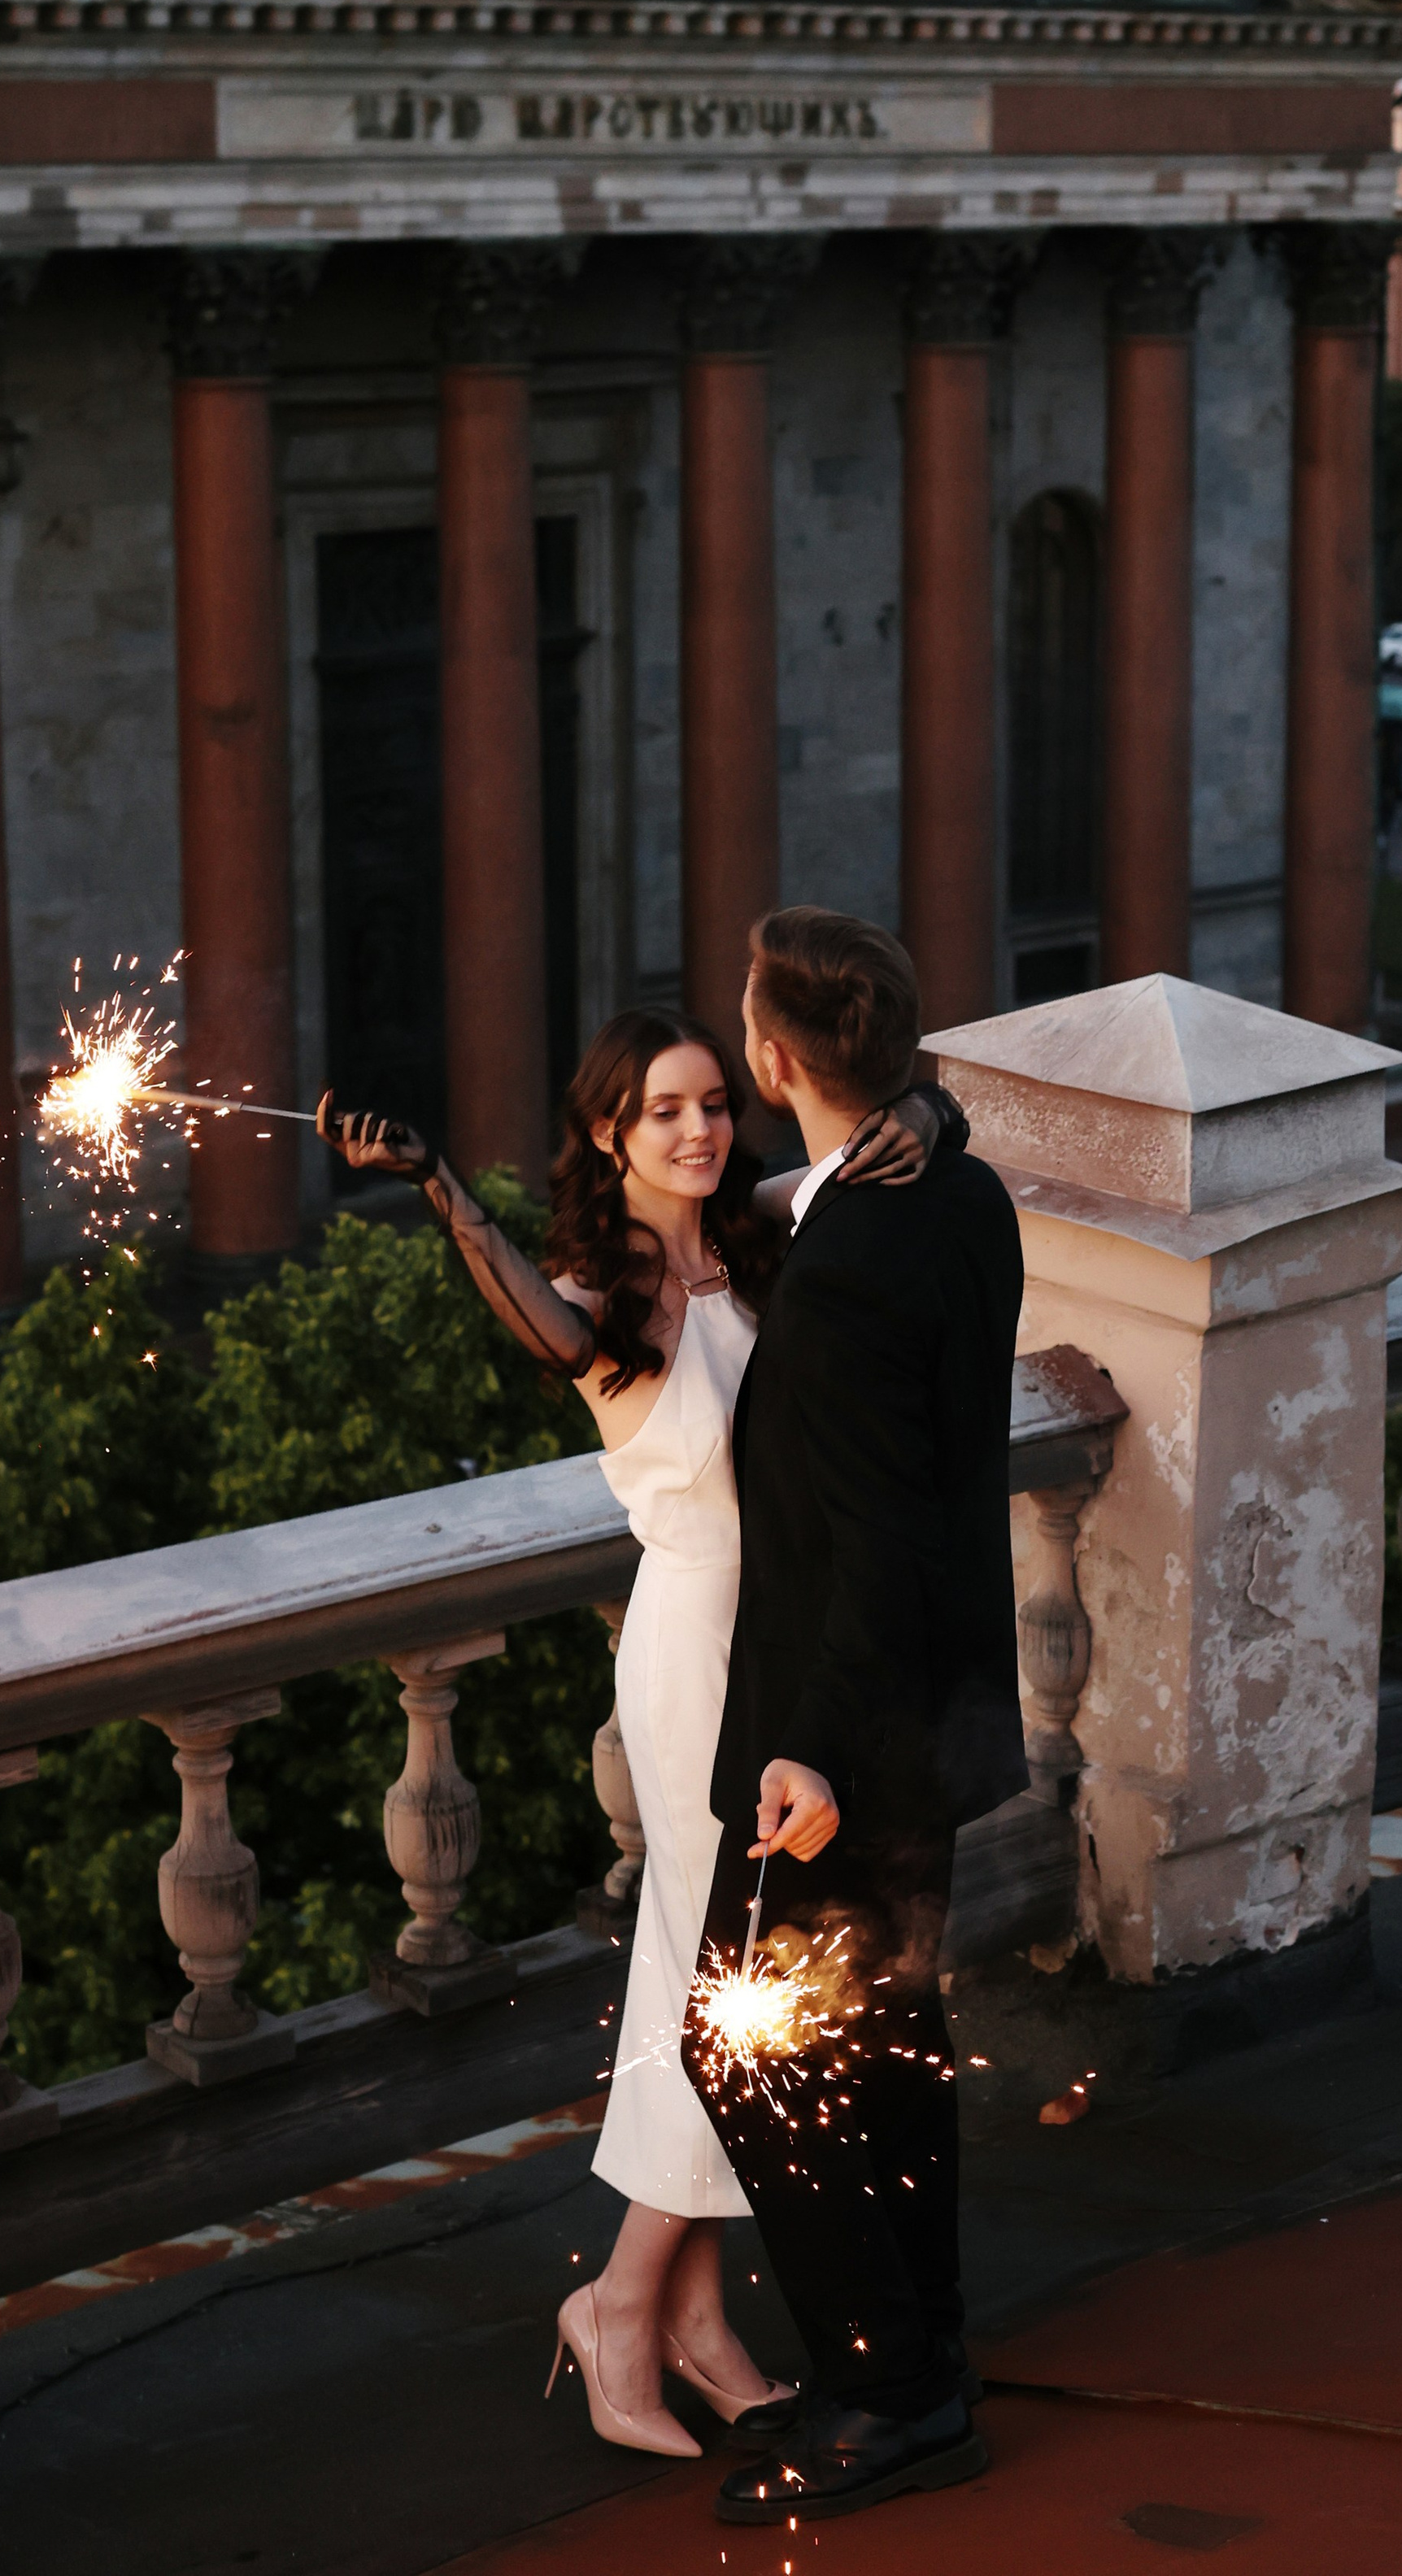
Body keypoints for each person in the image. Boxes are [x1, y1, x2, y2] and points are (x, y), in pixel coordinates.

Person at [318, 1011, 962, 2459]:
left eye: (717, 1103)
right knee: (721, 1982)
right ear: (609, 1135)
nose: (700, 1129)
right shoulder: (591, 1297)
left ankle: (681, 2317)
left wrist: (934, 1115)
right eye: (664, 1110)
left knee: (711, 1974)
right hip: (696, 1657)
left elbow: (900, 1141)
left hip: (795, 1652)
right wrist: (437, 1188)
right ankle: (626, 2305)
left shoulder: (773, 1237)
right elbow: (543, 1333)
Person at [681, 905, 1025, 2528]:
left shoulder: (843, 1279)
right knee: (877, 2044)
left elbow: (878, 1535)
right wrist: (928, 1109)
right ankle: (920, 2351)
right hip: (937, 1718)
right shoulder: (952, 1188)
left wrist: (804, 1745)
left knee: (740, 2046)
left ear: (765, 1060)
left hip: (852, 1737)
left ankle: (890, 2395)